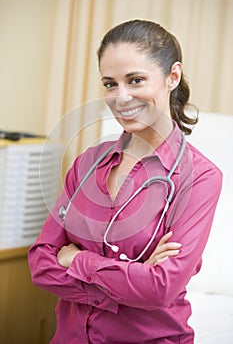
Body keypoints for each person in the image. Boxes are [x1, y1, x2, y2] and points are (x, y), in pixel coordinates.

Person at [28, 19, 222, 343]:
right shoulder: (88, 163)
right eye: (109, 83)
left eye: (135, 80)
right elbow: (41, 265)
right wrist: (134, 279)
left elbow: (159, 288)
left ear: (172, 76)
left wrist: (77, 260)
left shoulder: (199, 178)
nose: (121, 97)